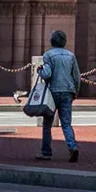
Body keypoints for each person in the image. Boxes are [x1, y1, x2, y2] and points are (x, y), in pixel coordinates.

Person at [34, 30, 81, 161]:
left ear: (52, 41)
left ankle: (46, 152)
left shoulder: (48, 55)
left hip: (53, 91)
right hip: (68, 91)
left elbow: (47, 74)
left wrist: (40, 71)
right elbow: (77, 76)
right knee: (66, 123)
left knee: (47, 123)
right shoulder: (71, 56)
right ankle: (73, 146)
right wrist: (75, 91)